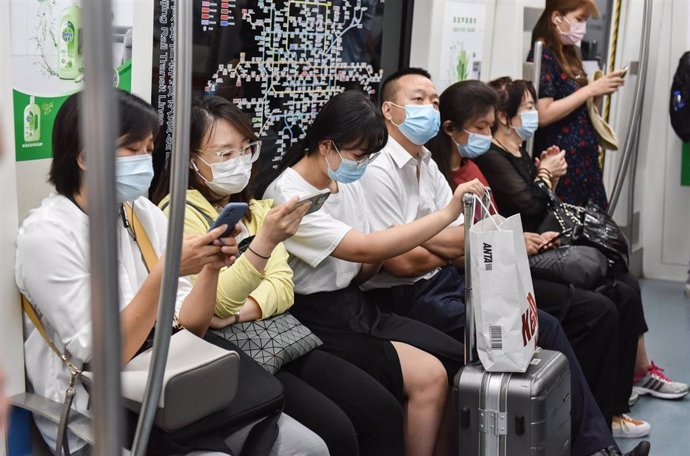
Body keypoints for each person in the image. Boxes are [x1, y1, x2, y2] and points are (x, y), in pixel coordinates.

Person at [15, 90, 328, 456]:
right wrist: (164, 274)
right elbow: (106, 354)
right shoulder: (48, 235)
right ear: (85, 157)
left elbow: (191, 326)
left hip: (171, 383)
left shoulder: (139, 213)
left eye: (148, 149)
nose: (144, 161)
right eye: (132, 150)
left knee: (308, 447)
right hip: (101, 413)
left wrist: (211, 267)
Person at [358, 67, 647, 456]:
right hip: (405, 297)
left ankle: (594, 446)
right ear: (389, 111)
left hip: (449, 278)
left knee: (555, 323)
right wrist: (448, 242)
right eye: (417, 100)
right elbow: (403, 261)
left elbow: (475, 235)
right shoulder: (377, 171)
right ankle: (595, 447)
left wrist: (435, 241)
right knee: (544, 325)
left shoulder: (426, 162)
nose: (428, 106)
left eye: (433, 99)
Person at [154, 95, 405, 456]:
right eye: (225, 155)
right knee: (337, 432)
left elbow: (283, 288)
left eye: (245, 150)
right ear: (192, 161)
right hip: (229, 355)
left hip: (277, 339)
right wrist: (263, 246)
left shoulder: (256, 209)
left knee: (382, 410)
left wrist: (237, 313)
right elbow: (215, 301)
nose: (239, 162)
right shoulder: (179, 214)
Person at [258, 89, 476, 456]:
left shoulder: (344, 181)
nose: (363, 165)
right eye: (359, 156)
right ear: (327, 146)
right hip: (314, 319)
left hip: (354, 305)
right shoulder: (289, 196)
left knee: (458, 359)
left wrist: (383, 247)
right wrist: (446, 215)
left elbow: (366, 261)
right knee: (424, 379)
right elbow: (364, 247)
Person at [474, 75, 688, 436]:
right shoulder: (491, 157)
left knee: (625, 286)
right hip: (521, 255)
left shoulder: (519, 151)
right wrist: (545, 174)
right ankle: (599, 418)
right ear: (505, 117)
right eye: (527, 108)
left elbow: (537, 205)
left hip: (540, 242)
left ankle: (623, 394)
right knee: (600, 307)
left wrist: (547, 178)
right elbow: (525, 205)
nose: (533, 114)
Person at [529, 0, 626, 207]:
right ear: (557, 18)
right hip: (563, 159)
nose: (583, 27)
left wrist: (598, 91)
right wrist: (590, 90)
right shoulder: (544, 55)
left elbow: (580, 107)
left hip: (585, 158)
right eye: (579, 19)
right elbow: (543, 114)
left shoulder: (571, 54)